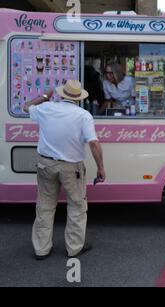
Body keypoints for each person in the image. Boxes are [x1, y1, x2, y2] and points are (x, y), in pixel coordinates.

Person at [23, 80, 106, 260]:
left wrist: (45, 95)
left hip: (46, 164)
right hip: (71, 167)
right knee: (76, 206)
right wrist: (100, 168)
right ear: (78, 98)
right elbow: (93, 143)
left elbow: (26, 106)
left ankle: (41, 249)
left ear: (62, 94)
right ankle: (74, 248)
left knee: (44, 206)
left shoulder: (47, 108)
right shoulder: (83, 115)